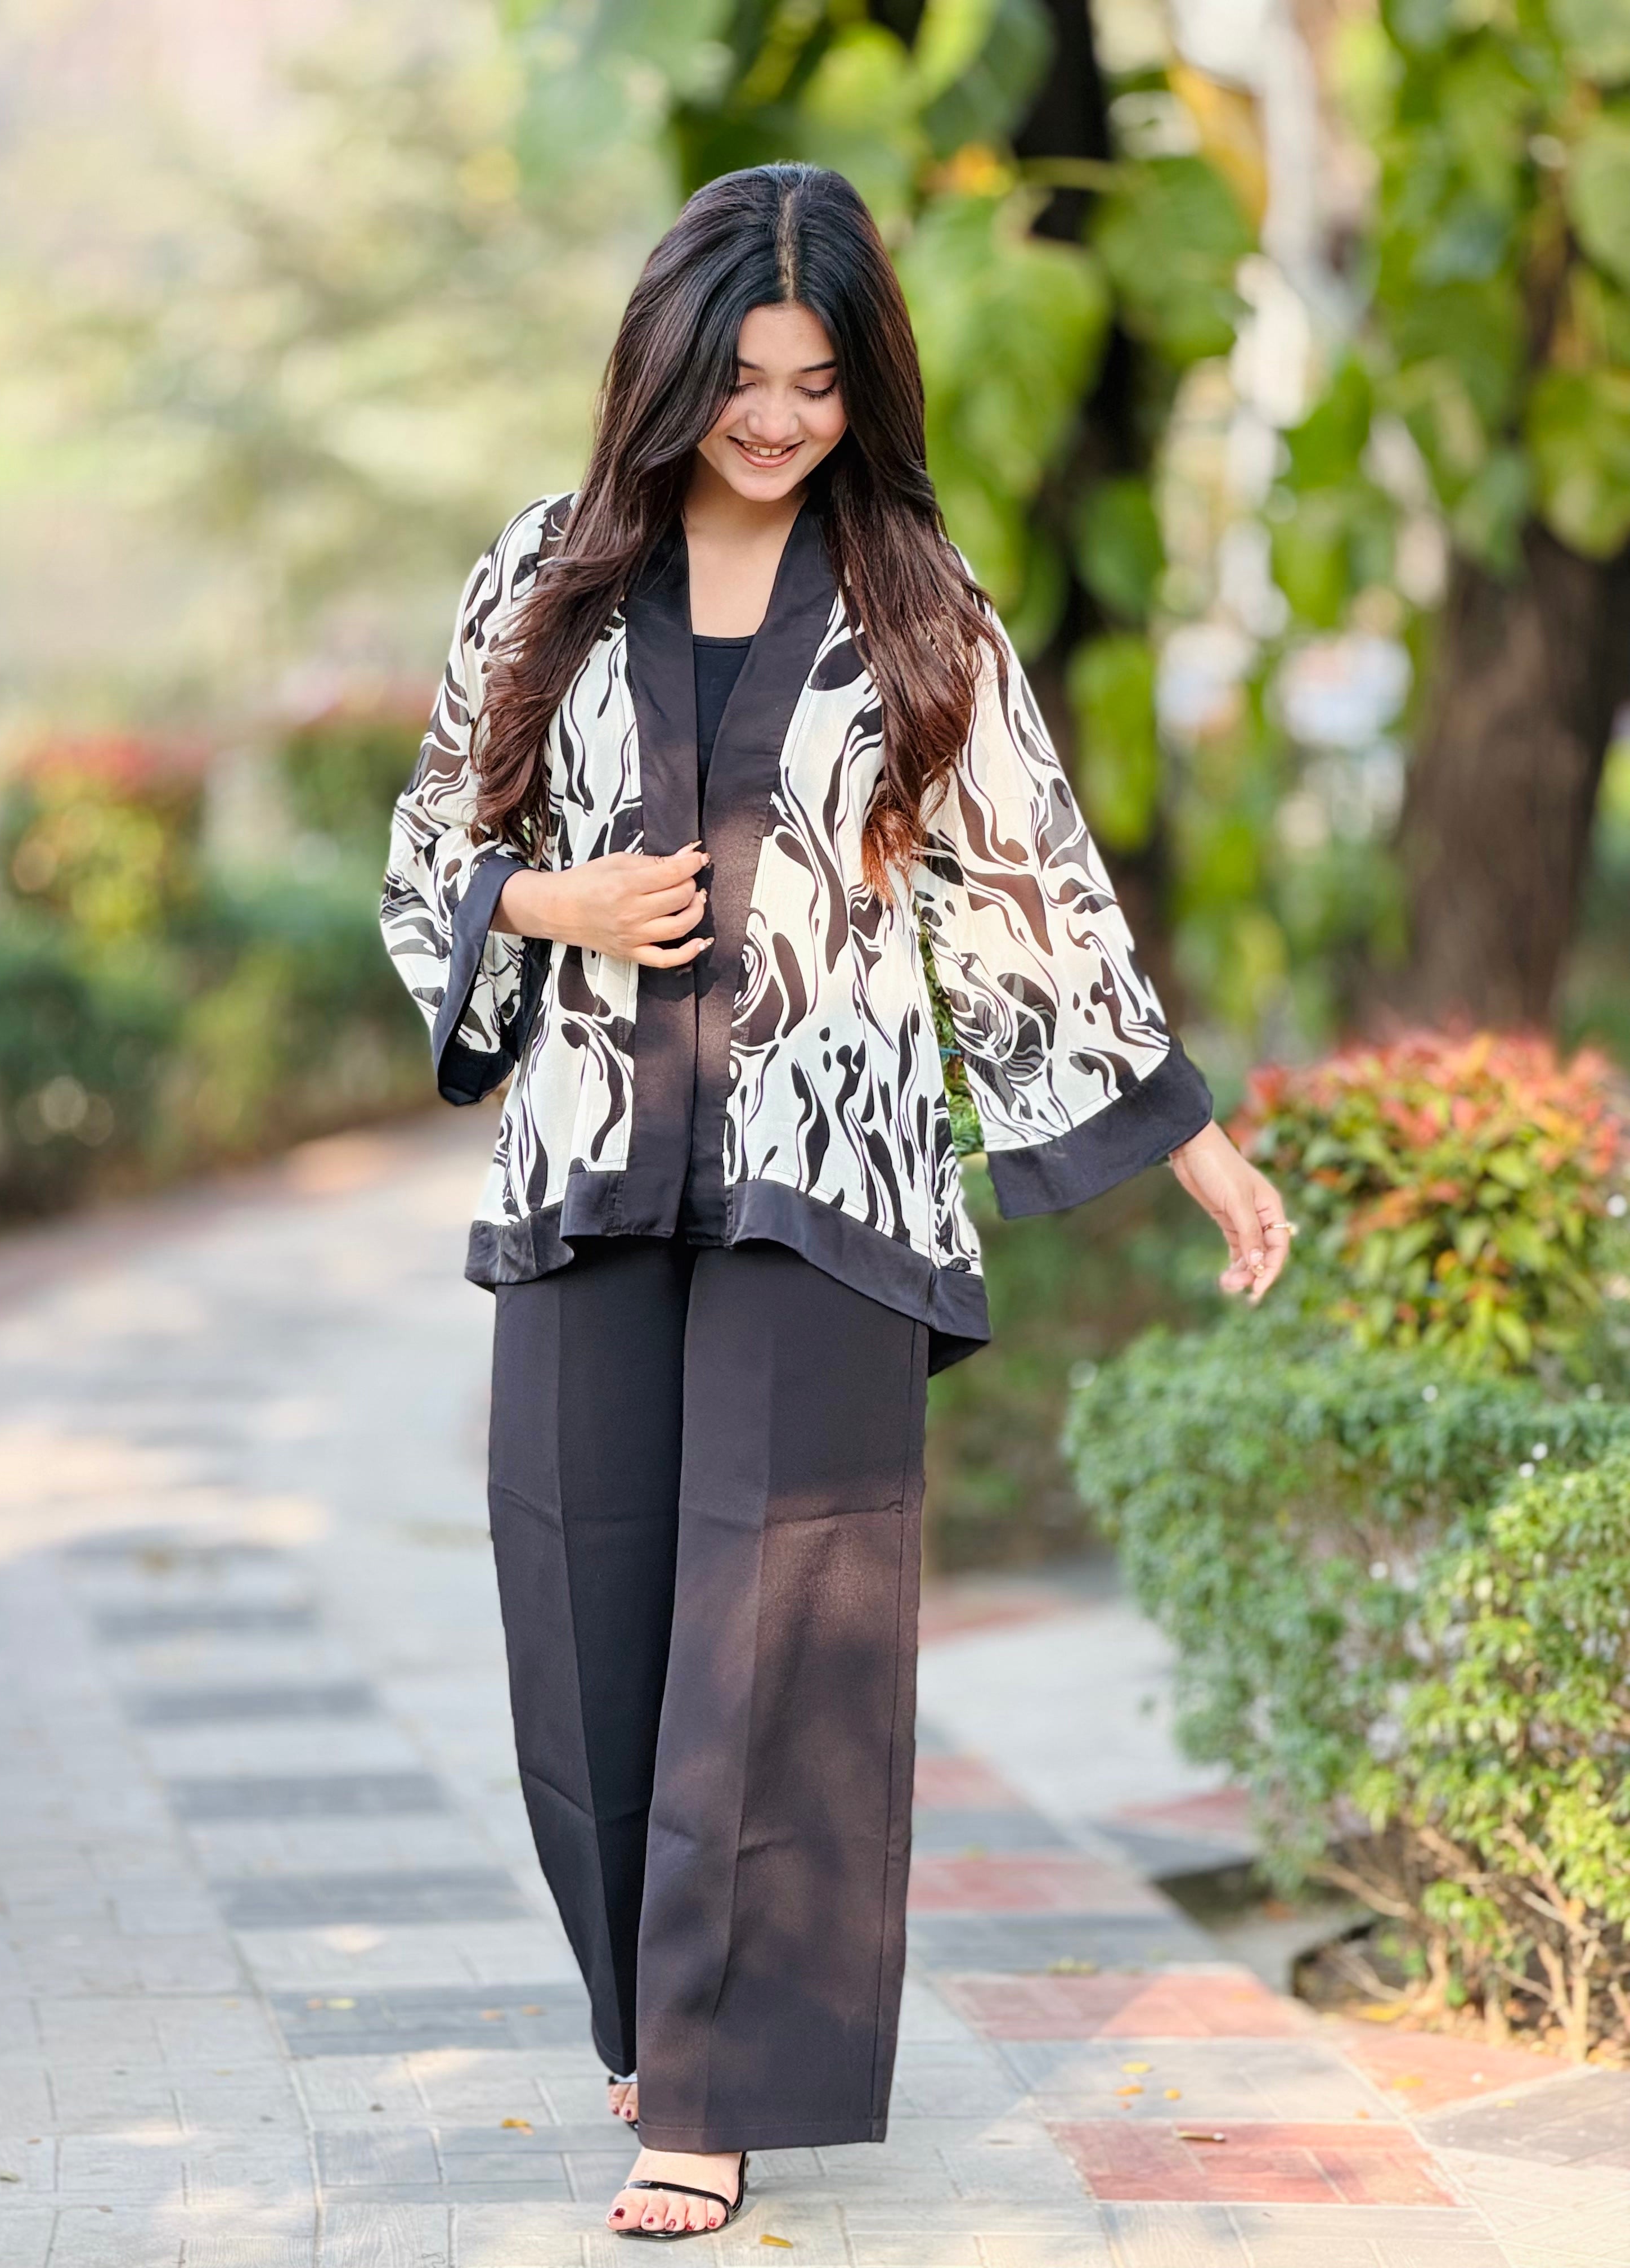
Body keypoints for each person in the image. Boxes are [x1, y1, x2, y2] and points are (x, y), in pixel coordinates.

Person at [380, 161, 1291, 2244]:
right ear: (667, 369)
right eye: (740, 379)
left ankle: (704, 2093)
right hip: (592, 1158)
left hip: (833, 1167)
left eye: (812, 380)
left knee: (779, 1628)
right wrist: (552, 899)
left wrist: (1191, 1137)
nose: (776, 419)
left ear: (859, 381)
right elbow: (437, 843)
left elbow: (1025, 887)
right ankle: (651, 2009)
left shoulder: (917, 596)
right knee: (587, 1630)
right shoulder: (541, 574)